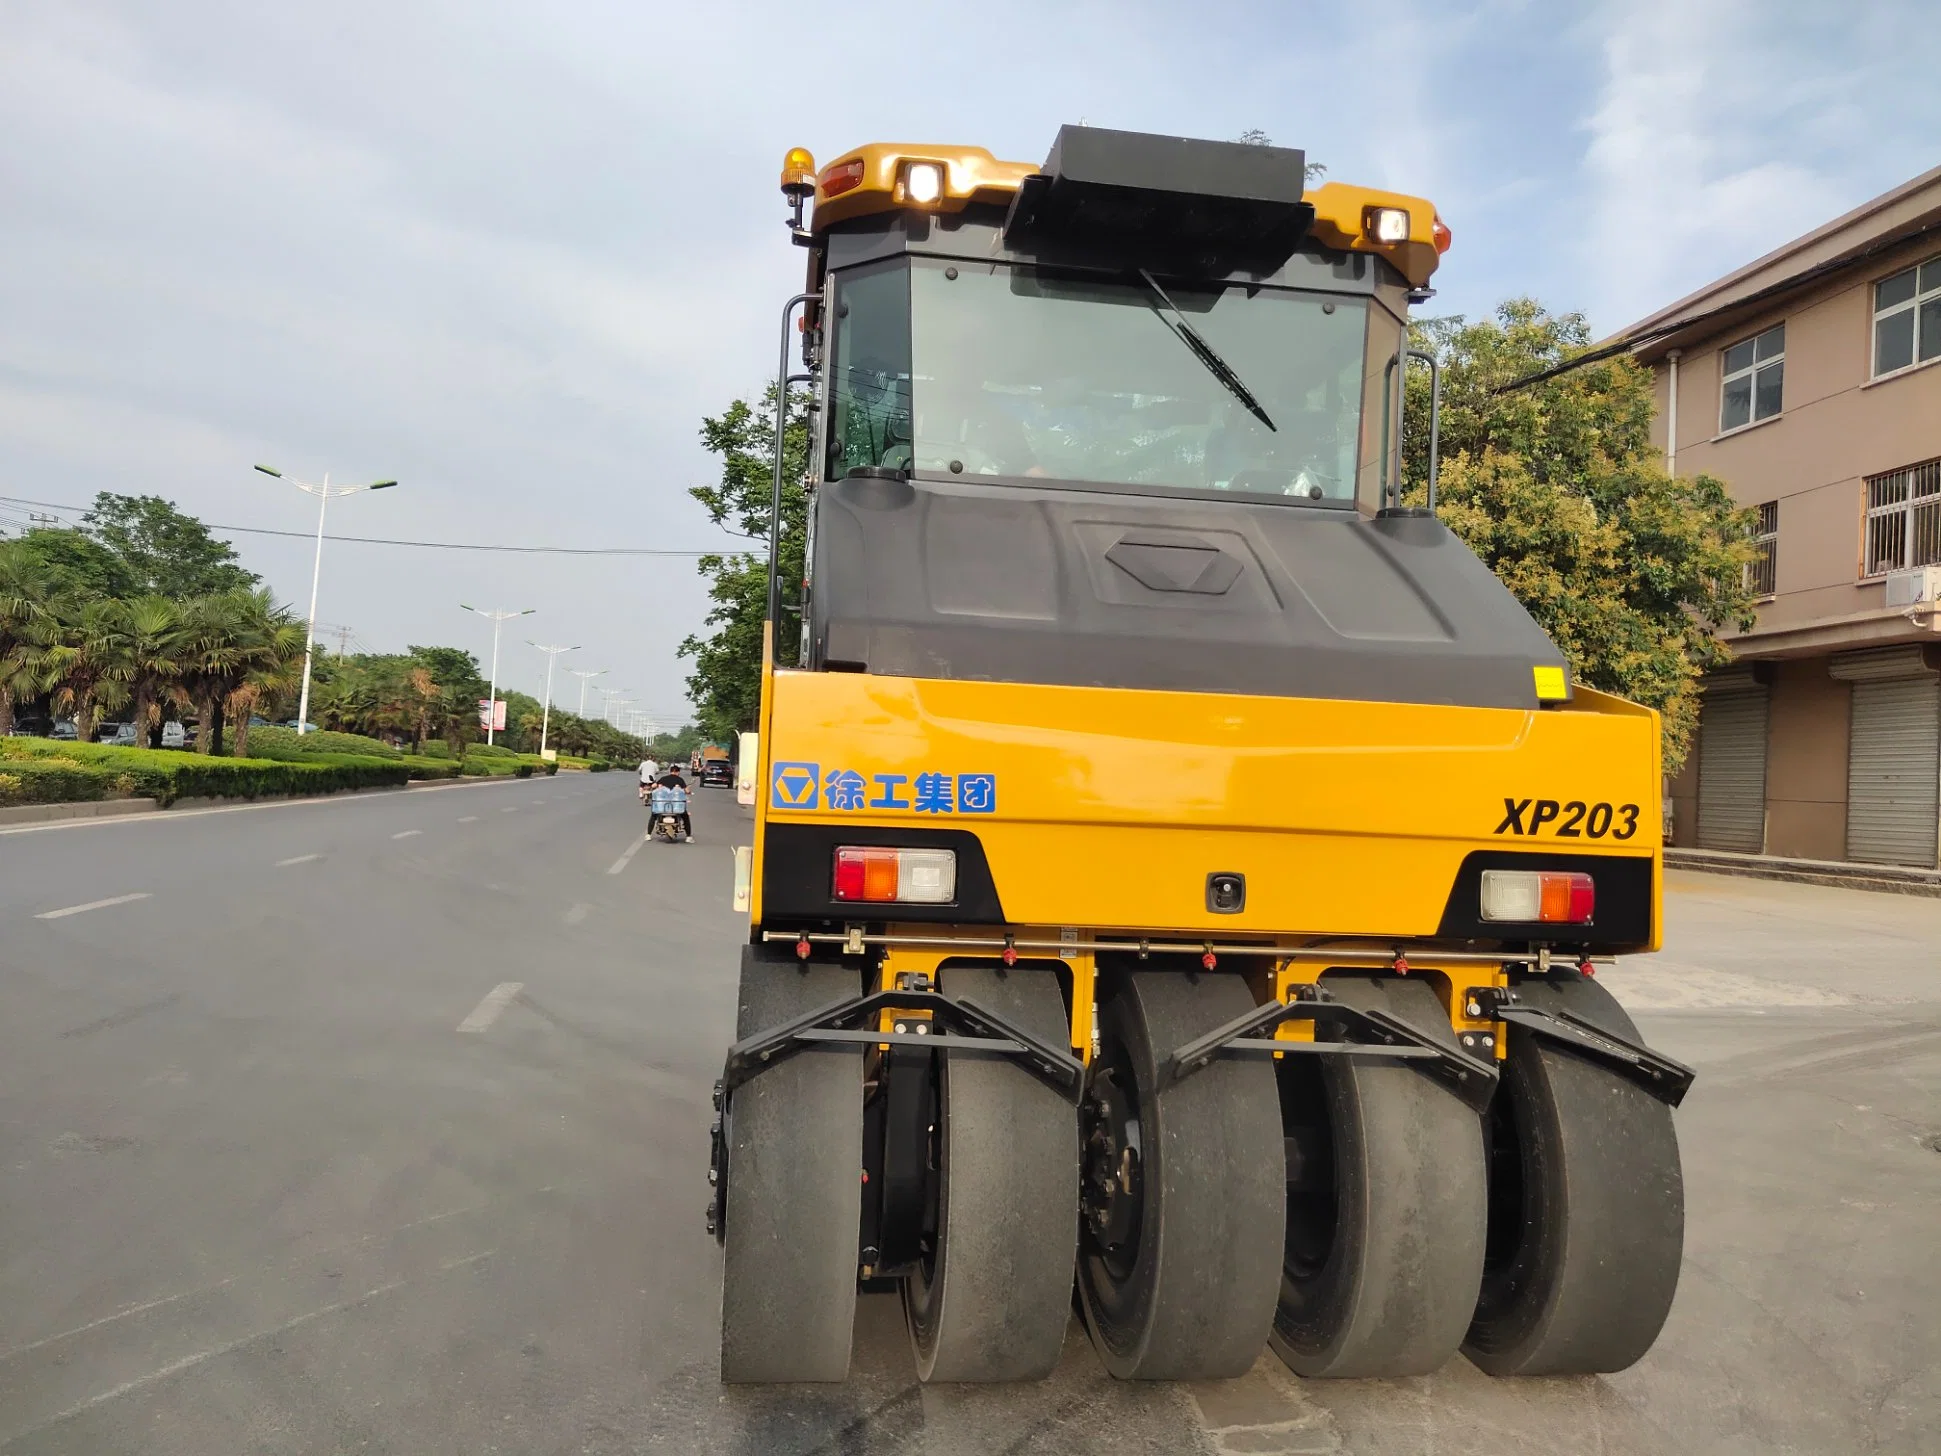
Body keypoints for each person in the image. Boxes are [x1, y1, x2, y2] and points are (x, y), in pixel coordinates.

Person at [654, 766, 693, 841]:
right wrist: (688, 791)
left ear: (670, 771)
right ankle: (688, 836)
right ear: (677, 772)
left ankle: (648, 834)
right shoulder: (680, 780)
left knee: (654, 815)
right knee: (685, 817)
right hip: (676, 806)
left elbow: (654, 786)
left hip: (663, 805)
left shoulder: (663, 779)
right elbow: (687, 791)